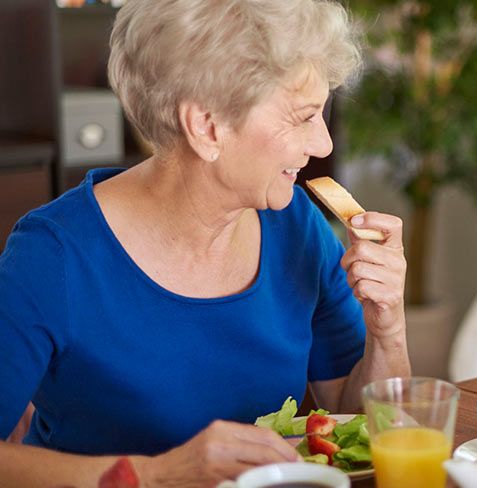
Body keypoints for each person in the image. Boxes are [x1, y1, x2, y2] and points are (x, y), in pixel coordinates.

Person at [0, 0, 411, 485]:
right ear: (207, 127)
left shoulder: (298, 227)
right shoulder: (53, 255)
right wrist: (158, 475)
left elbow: (355, 424)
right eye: (302, 117)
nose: (323, 144)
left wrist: (387, 330)